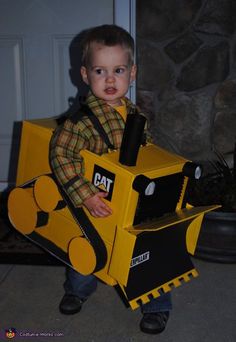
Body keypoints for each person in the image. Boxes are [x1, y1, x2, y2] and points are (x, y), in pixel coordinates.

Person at [49, 24, 172, 335]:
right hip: (95, 199)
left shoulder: (135, 114)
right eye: (100, 71)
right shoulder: (79, 123)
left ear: (132, 74)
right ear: (85, 75)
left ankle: (156, 306)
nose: (110, 79)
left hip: (130, 199)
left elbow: (147, 150)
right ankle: (77, 290)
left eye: (118, 70)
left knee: (148, 249)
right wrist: (86, 195)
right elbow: (61, 157)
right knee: (88, 247)